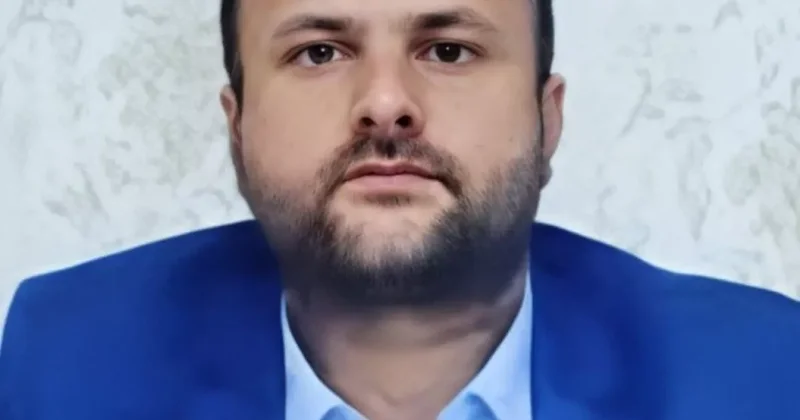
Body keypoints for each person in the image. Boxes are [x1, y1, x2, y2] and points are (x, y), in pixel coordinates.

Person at [2, 0, 800, 418]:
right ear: (237, 129)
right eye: (319, 51)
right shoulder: (64, 366)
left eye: (448, 49)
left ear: (547, 120)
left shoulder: (762, 377)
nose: (385, 103)